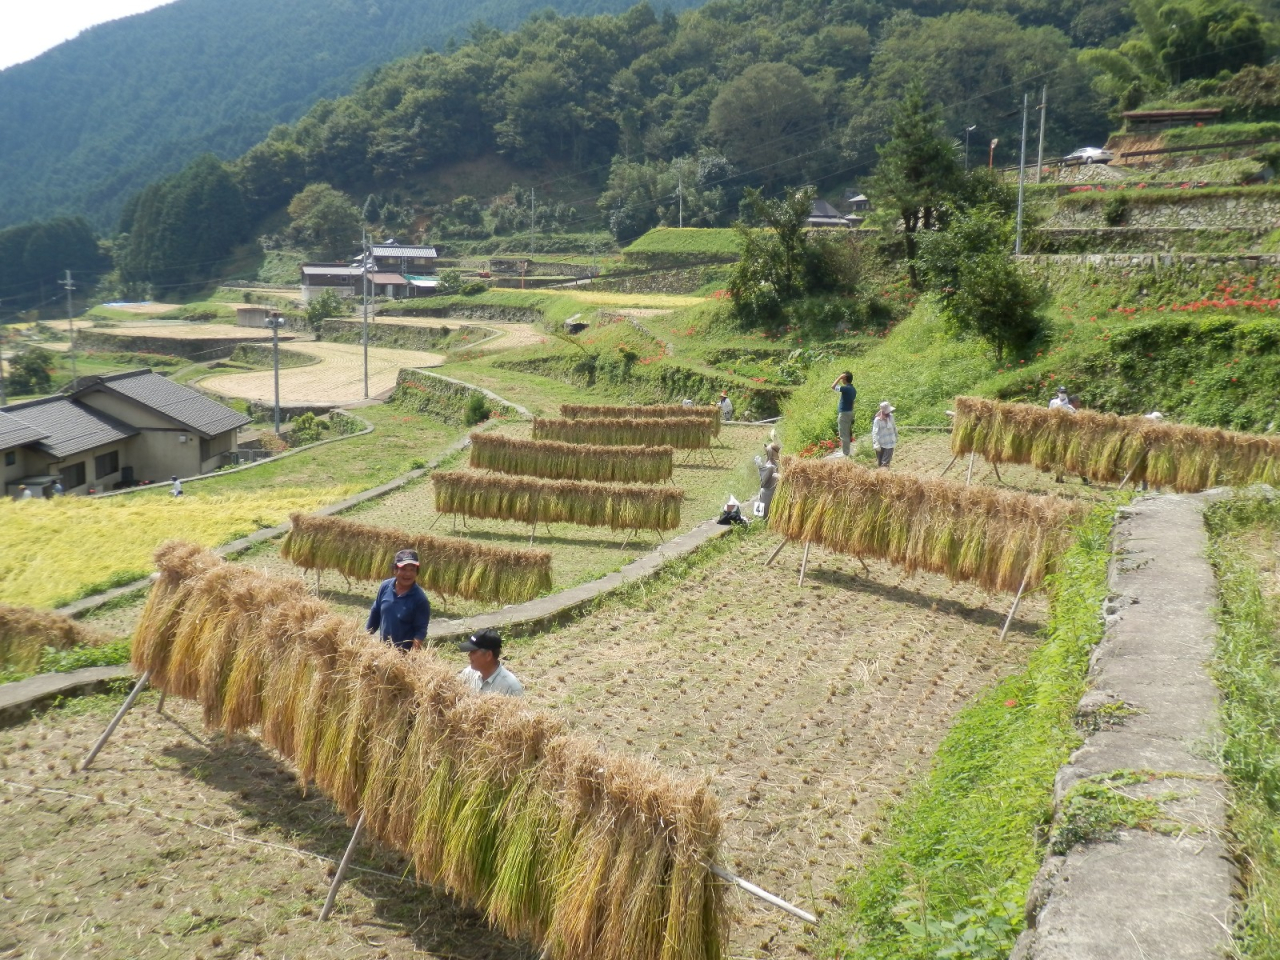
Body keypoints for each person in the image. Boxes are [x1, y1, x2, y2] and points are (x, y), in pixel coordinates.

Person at [366, 548, 431, 652]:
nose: (408, 574)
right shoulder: (385, 586)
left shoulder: (420, 600)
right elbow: (376, 612)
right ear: (395, 570)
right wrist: (365, 637)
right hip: (383, 651)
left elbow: (420, 632)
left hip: (403, 656)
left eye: (412, 570)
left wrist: (412, 658)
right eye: (404, 569)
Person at [457, 628, 523, 697]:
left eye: (473, 652)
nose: (469, 655)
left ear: (488, 655)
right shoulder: (468, 674)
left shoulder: (510, 687)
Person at [831, 371, 857, 456]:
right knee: (847, 433)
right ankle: (848, 451)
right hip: (849, 412)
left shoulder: (846, 388)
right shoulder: (853, 389)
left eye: (843, 378)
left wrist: (839, 377)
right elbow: (853, 402)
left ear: (845, 378)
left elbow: (833, 387)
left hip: (844, 413)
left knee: (843, 434)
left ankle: (846, 454)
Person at [754, 442, 780, 518]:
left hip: (773, 493)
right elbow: (768, 477)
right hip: (768, 495)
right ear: (772, 453)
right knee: (766, 516)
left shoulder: (775, 463)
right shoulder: (770, 466)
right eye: (777, 452)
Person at [871, 402, 898, 468]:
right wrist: (876, 443)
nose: (889, 413)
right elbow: (874, 432)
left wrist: (896, 436)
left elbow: (894, 427)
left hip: (890, 443)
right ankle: (880, 476)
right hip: (880, 444)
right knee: (880, 463)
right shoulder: (877, 420)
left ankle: (885, 476)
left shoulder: (891, 417)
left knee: (885, 463)